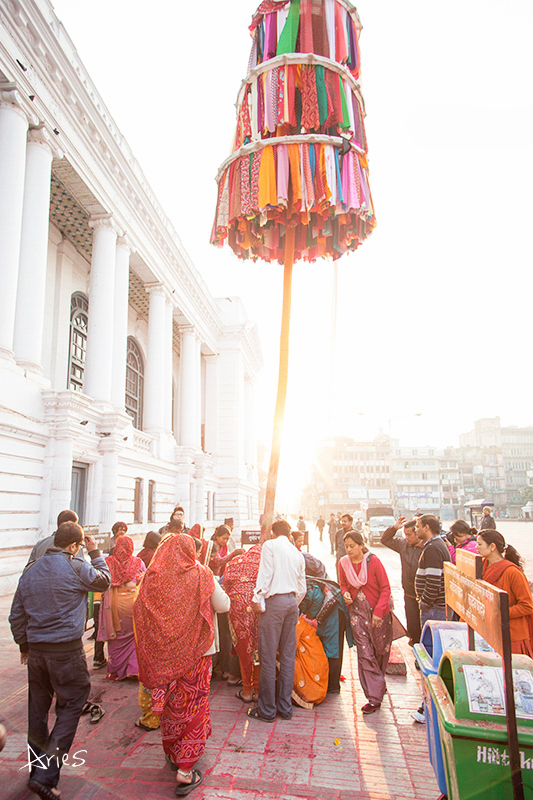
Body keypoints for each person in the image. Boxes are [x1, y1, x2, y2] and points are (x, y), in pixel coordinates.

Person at [9, 522, 111, 800]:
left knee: (37, 711)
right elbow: (104, 580)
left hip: (38, 652)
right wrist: (96, 553)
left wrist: (24, 644)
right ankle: (45, 774)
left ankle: (36, 771)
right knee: (71, 705)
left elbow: (15, 616)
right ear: (74, 545)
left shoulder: (31, 570)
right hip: (66, 651)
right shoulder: (76, 566)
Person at [133, 533, 230, 794]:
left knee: (172, 705)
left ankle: (172, 750)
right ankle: (186, 769)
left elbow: (139, 608)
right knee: (194, 704)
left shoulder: (153, 576)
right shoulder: (201, 573)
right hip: (197, 654)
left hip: (164, 657)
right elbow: (223, 605)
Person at [248, 519, 306, 722]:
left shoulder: (270, 546)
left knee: (268, 657)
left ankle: (267, 710)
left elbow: (265, 574)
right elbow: (302, 587)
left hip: (275, 603)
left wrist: (257, 597)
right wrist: (292, 601)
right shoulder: (297, 553)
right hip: (291, 602)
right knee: (288, 657)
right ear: (289, 535)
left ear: (273, 533)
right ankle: (285, 707)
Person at [338, 531, 393, 715]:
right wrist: (345, 593)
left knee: (380, 651)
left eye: (352, 546)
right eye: (346, 547)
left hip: (379, 613)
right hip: (357, 614)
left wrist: (378, 612)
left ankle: (378, 683)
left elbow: (385, 588)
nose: (349, 550)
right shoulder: (343, 563)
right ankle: (374, 697)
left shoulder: (373, 561)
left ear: (361, 545)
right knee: (365, 653)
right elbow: (343, 584)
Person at [411, 514, 451, 724]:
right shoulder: (434, 545)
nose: (416, 529)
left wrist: (424, 602)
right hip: (433, 607)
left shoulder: (434, 548)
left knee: (431, 660)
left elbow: (434, 582)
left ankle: (429, 708)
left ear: (427, 527)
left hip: (434, 609)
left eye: (418, 526)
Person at [299, 554, 353, 695]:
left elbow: (315, 597)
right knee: (329, 644)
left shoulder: (309, 580)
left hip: (333, 610)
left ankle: (332, 685)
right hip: (332, 608)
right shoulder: (309, 566)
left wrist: (309, 614)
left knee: (332, 646)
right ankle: (328, 682)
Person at [477, 530, 533, 657]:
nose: (476, 547)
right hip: (489, 633)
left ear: (492, 547)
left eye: (480, 544)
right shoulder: (481, 566)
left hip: (512, 635)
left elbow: (527, 606)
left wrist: (499, 613)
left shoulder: (512, 572)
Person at [98, 536, 145, 681]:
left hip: (113, 604)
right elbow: (144, 580)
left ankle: (116, 671)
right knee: (133, 637)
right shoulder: (137, 562)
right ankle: (133, 669)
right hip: (132, 603)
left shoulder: (108, 563)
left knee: (116, 636)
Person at [223, 544, 263, 703]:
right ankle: (258, 691)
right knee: (258, 647)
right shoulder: (264, 561)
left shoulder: (235, 561)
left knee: (243, 646)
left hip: (237, 607)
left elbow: (225, 584)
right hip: (257, 606)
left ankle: (247, 690)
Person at [209, 526, 243, 682]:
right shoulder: (205, 574)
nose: (225, 541)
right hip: (216, 590)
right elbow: (218, 562)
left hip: (219, 587)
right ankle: (221, 667)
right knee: (221, 632)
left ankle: (219, 666)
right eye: (223, 538)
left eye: (227, 539)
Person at [381, 517, 423, 645]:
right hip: (409, 591)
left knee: (424, 623)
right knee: (412, 621)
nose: (407, 538)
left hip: (424, 594)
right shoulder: (403, 545)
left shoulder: (428, 547)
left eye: (409, 535)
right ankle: (414, 641)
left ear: (418, 533)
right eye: (405, 535)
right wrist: (394, 528)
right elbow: (385, 540)